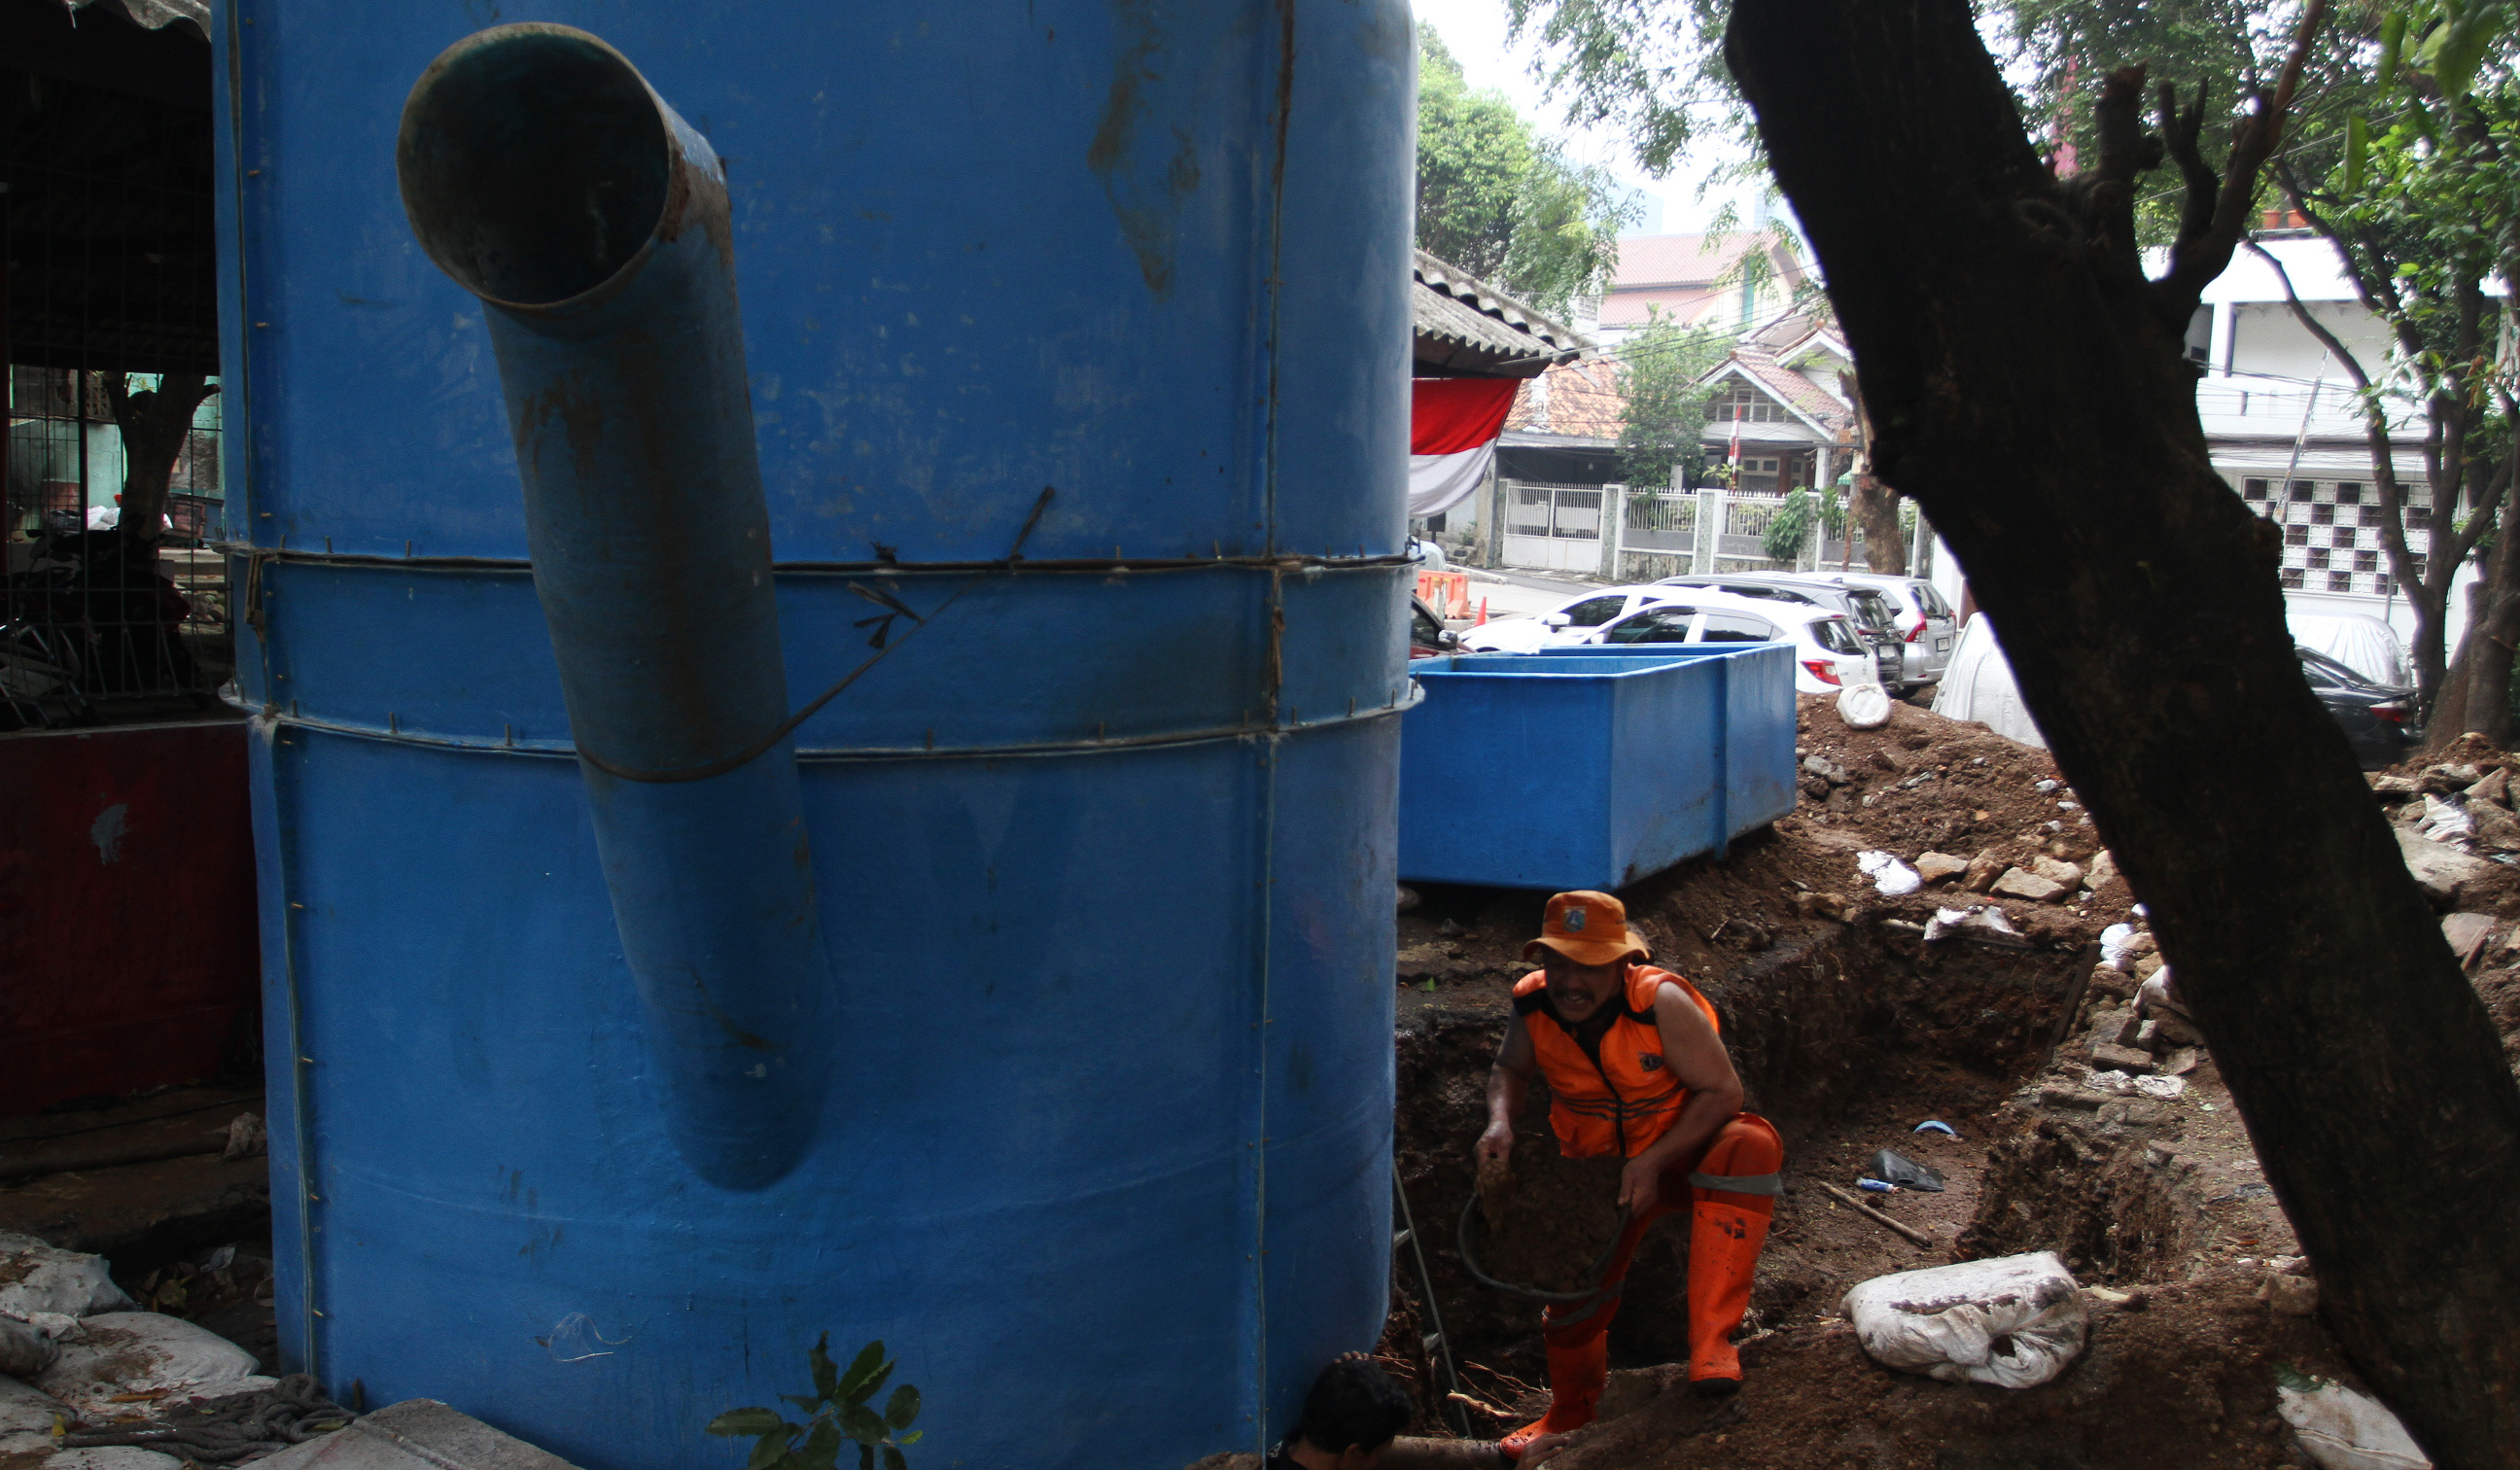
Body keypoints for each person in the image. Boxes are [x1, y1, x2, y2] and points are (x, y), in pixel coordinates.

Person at [1474, 891, 1784, 1460]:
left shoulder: (1659, 1002)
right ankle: (1570, 1413)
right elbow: (1508, 1068)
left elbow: (1723, 1092)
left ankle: (1712, 1342)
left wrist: (1653, 1160)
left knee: (1749, 1142)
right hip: (1598, 1174)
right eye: (1558, 963)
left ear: (1622, 963)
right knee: (1571, 1296)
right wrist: (1499, 1124)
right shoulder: (1531, 1004)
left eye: (1588, 966)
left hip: (1678, 1159)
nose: (1570, 981)